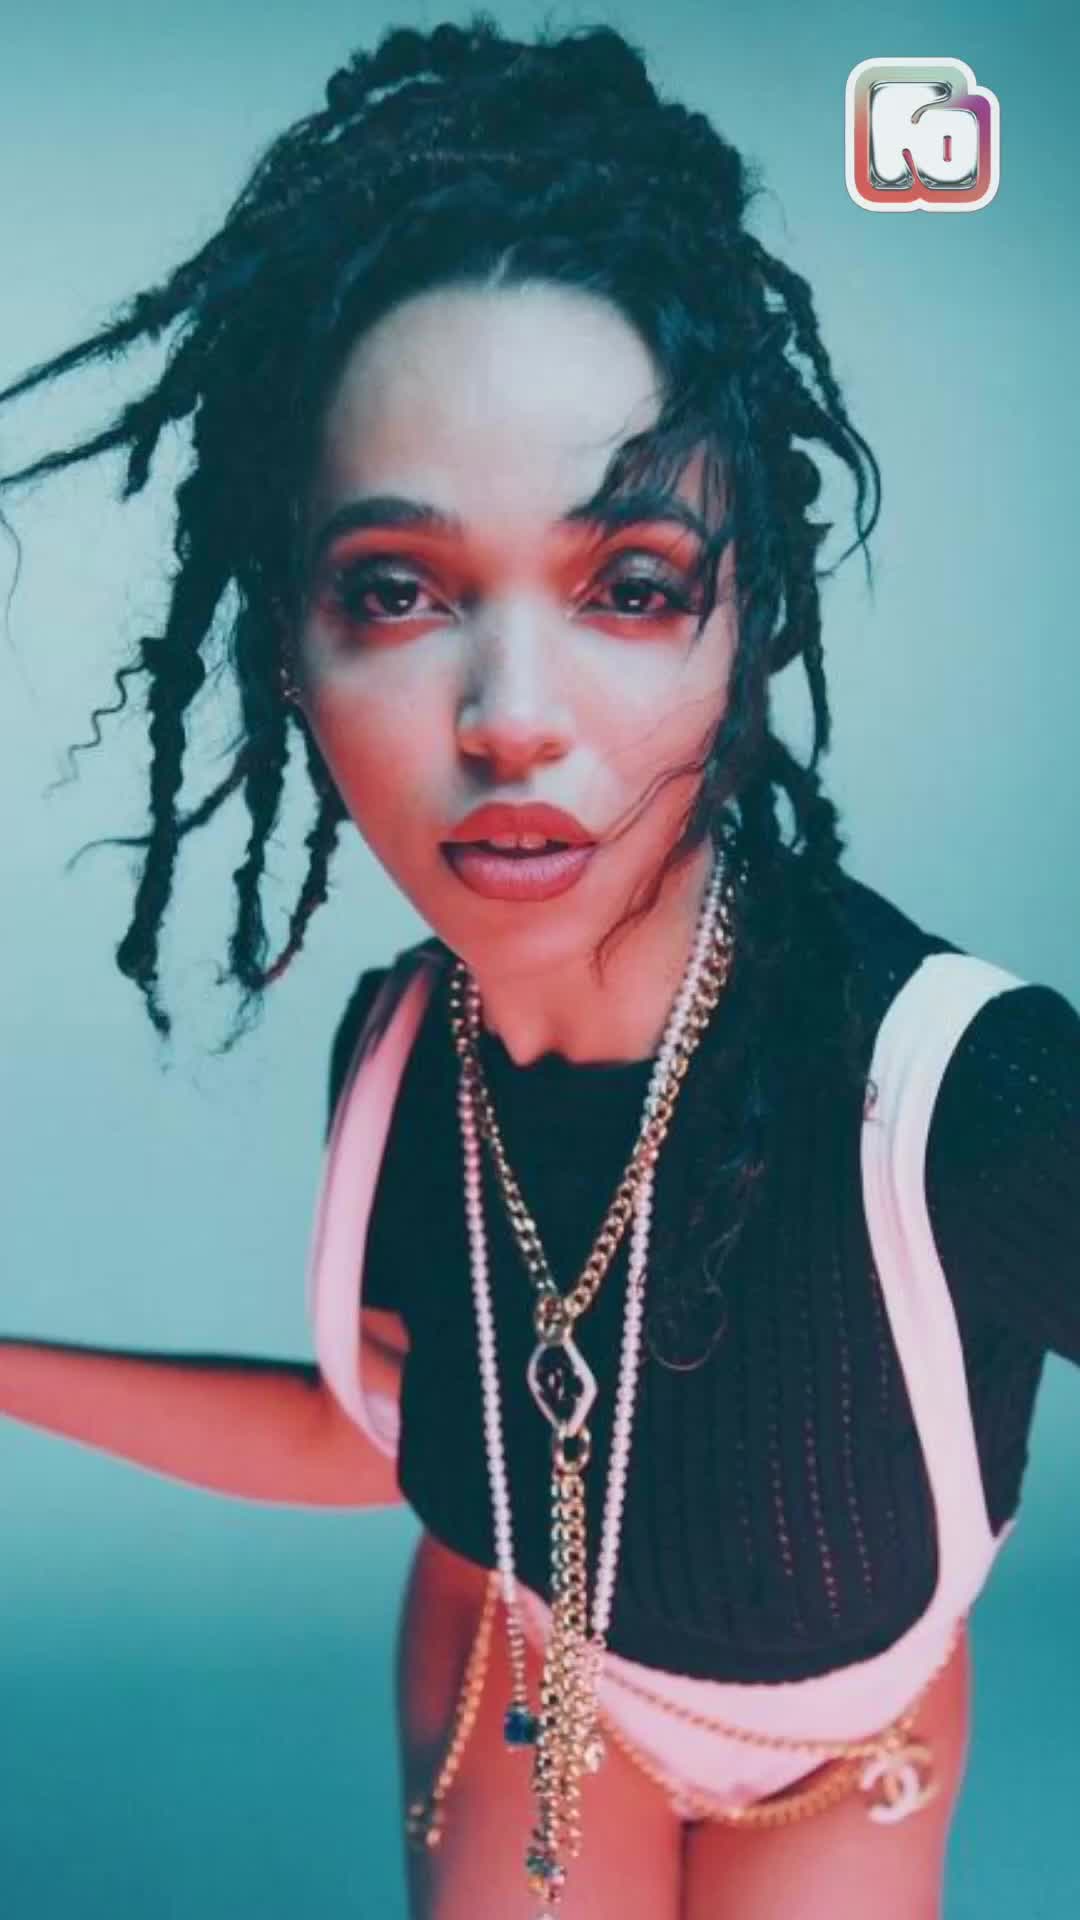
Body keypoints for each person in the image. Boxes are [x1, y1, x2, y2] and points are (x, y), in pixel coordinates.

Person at [1, 15, 1077, 1918]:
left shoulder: (962, 1097)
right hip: (520, 1662)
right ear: (290, 655)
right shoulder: (405, 1061)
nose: (509, 717)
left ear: (747, 617)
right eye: (398, 590)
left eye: (629, 585)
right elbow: (411, 1439)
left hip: (846, 1747)